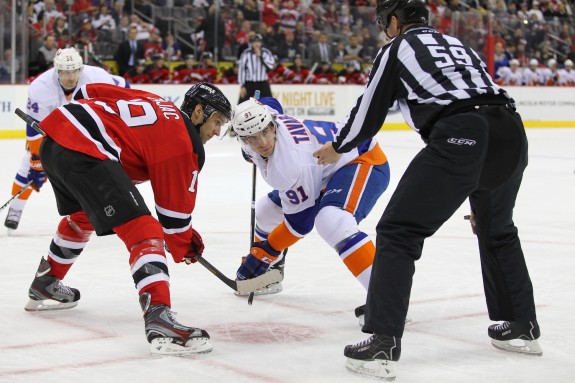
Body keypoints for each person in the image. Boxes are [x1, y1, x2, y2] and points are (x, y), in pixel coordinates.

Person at [313, 0, 541, 380]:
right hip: (511, 132)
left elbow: (370, 110)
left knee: (398, 230)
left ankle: (382, 339)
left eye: (386, 23)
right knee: (497, 228)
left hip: (461, 134)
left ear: (395, 22)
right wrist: (478, 186)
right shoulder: (458, 44)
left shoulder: (396, 48)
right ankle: (522, 325)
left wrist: (338, 146)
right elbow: (477, 95)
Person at [24, 82, 232, 356]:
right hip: (86, 152)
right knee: (145, 231)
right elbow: (173, 219)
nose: (217, 132)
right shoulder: (182, 142)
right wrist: (185, 245)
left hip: (54, 142)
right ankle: (160, 319)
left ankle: (46, 281)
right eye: (216, 121)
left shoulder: (157, 102)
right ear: (197, 112)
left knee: (83, 216)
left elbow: (87, 92)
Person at [230, 97, 390, 305]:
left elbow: (301, 223)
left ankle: (387, 300)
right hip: (322, 170)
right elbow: (271, 102)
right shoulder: (265, 115)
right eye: (252, 137)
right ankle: (270, 273)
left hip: (361, 159)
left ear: (273, 125)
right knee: (266, 211)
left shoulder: (288, 165)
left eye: (265, 132)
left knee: (332, 221)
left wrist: (264, 252)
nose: (262, 142)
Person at [3, 48, 121, 232]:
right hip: (54, 128)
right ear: (57, 70)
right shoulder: (40, 86)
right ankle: (15, 210)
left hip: (88, 128)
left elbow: (119, 100)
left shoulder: (97, 77)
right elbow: (35, 129)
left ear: (81, 68)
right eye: (66, 71)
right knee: (27, 164)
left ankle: (111, 212)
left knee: (103, 167)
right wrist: (37, 161)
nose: (71, 76)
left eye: (74, 70)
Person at [238, 33, 275, 103]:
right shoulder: (246, 53)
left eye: (258, 42)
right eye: (254, 42)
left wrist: (261, 56)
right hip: (249, 83)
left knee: (269, 104)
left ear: (261, 43)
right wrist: (242, 85)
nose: (256, 44)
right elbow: (242, 70)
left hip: (263, 83)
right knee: (243, 104)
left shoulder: (266, 52)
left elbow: (270, 66)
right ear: (251, 43)